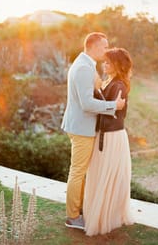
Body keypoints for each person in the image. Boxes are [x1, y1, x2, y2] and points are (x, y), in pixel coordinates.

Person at [61, 32, 125, 230]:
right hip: (81, 128)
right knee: (78, 171)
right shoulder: (83, 68)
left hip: (80, 125)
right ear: (94, 47)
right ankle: (72, 217)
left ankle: (77, 211)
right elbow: (87, 103)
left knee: (79, 171)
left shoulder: (86, 65)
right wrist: (113, 106)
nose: (106, 51)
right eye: (104, 47)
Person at [83, 47, 134, 236]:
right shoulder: (109, 81)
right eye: (104, 61)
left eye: (108, 62)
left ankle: (108, 217)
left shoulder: (118, 85)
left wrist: (96, 91)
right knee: (102, 175)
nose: (104, 64)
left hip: (112, 136)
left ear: (117, 65)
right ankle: (101, 214)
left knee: (109, 176)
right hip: (104, 134)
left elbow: (112, 111)